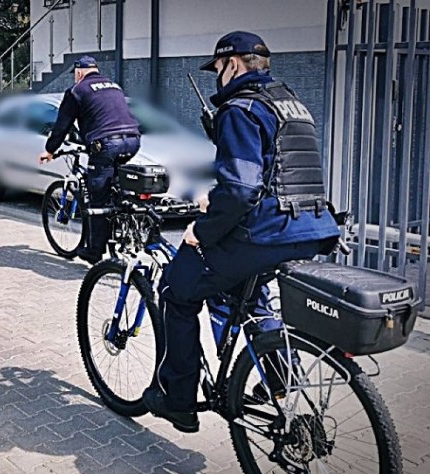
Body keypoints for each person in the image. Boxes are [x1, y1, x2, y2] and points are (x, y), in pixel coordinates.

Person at [141, 32, 340, 433]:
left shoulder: (240, 108)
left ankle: (178, 401)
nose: (217, 77)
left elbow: (243, 189)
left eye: (217, 68)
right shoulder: (293, 105)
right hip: (313, 228)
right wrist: (215, 200)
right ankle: (281, 378)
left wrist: (203, 230)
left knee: (176, 290)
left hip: (266, 232)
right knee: (248, 297)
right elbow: (274, 176)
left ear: (232, 64)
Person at [38, 56, 141, 264]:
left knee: (97, 195)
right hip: (133, 140)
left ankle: (95, 251)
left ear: (78, 73)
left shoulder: (76, 91)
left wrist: (50, 150)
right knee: (116, 184)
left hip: (106, 144)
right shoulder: (113, 86)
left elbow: (62, 125)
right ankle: (125, 220)